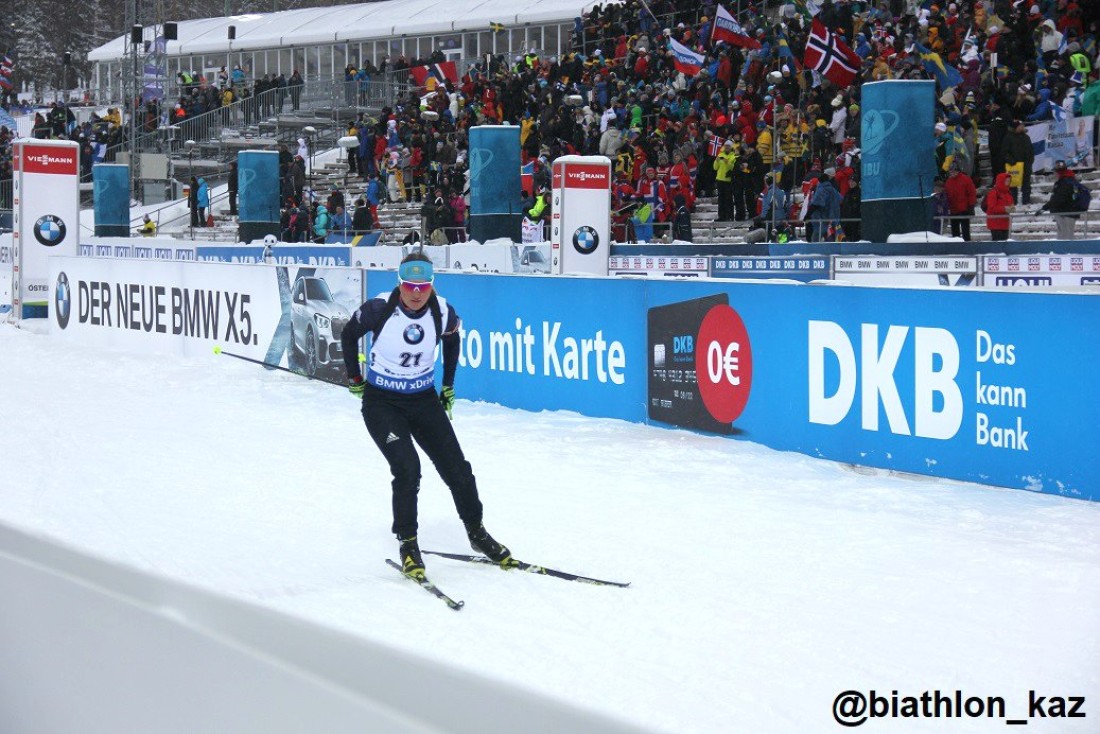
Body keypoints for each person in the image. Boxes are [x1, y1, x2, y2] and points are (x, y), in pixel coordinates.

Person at [340, 252, 511, 579]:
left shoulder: (443, 311)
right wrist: (354, 378)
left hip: (422, 400)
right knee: (408, 469)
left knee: (458, 469)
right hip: (382, 404)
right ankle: (408, 544)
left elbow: (452, 339)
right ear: (399, 284)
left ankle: (477, 533)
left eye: (423, 286)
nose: (416, 293)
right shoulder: (379, 308)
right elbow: (349, 334)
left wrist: (448, 385)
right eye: (409, 285)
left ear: (432, 285)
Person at [1038, 160, 1082, 241]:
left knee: (1066, 235)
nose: (1054, 174)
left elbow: (1059, 198)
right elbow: (1056, 198)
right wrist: (1045, 208)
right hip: (1062, 212)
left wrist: (1045, 207)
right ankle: (1063, 251)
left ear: (1060, 172)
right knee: (1063, 234)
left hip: (1067, 212)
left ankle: (1067, 251)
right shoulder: (1062, 182)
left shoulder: (1066, 182)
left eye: (1055, 172)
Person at [944, 163, 977, 241]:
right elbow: (946, 196)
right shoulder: (948, 182)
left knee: (965, 231)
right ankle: (957, 247)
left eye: (953, 171)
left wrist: (971, 206)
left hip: (964, 209)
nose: (952, 173)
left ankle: (967, 246)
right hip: (953, 210)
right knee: (955, 233)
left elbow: (972, 193)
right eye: (950, 172)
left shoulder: (966, 179)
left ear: (958, 171)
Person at [982, 173, 1014, 242]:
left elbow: (1010, 204)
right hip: (995, 223)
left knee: (1005, 244)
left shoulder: (1008, 193)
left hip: (1005, 222)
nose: (1008, 183)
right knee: (998, 244)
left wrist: (1012, 208)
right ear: (1001, 181)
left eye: (1009, 181)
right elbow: (991, 208)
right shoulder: (993, 192)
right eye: (1006, 181)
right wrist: (1004, 208)